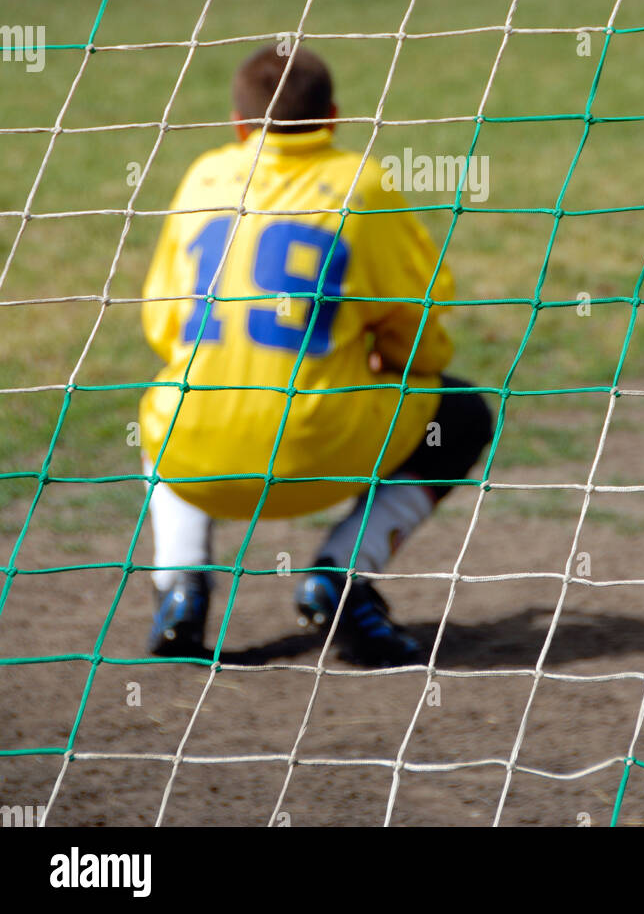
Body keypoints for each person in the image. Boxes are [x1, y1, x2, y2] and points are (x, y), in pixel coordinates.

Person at [138, 45, 493, 667]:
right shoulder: (364, 184)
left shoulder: (203, 176)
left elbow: (164, 326)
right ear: (333, 115)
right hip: (323, 453)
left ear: (238, 122)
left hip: (198, 462)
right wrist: (396, 360)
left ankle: (181, 589)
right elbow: (419, 331)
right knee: (461, 413)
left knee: (169, 405)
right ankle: (339, 576)